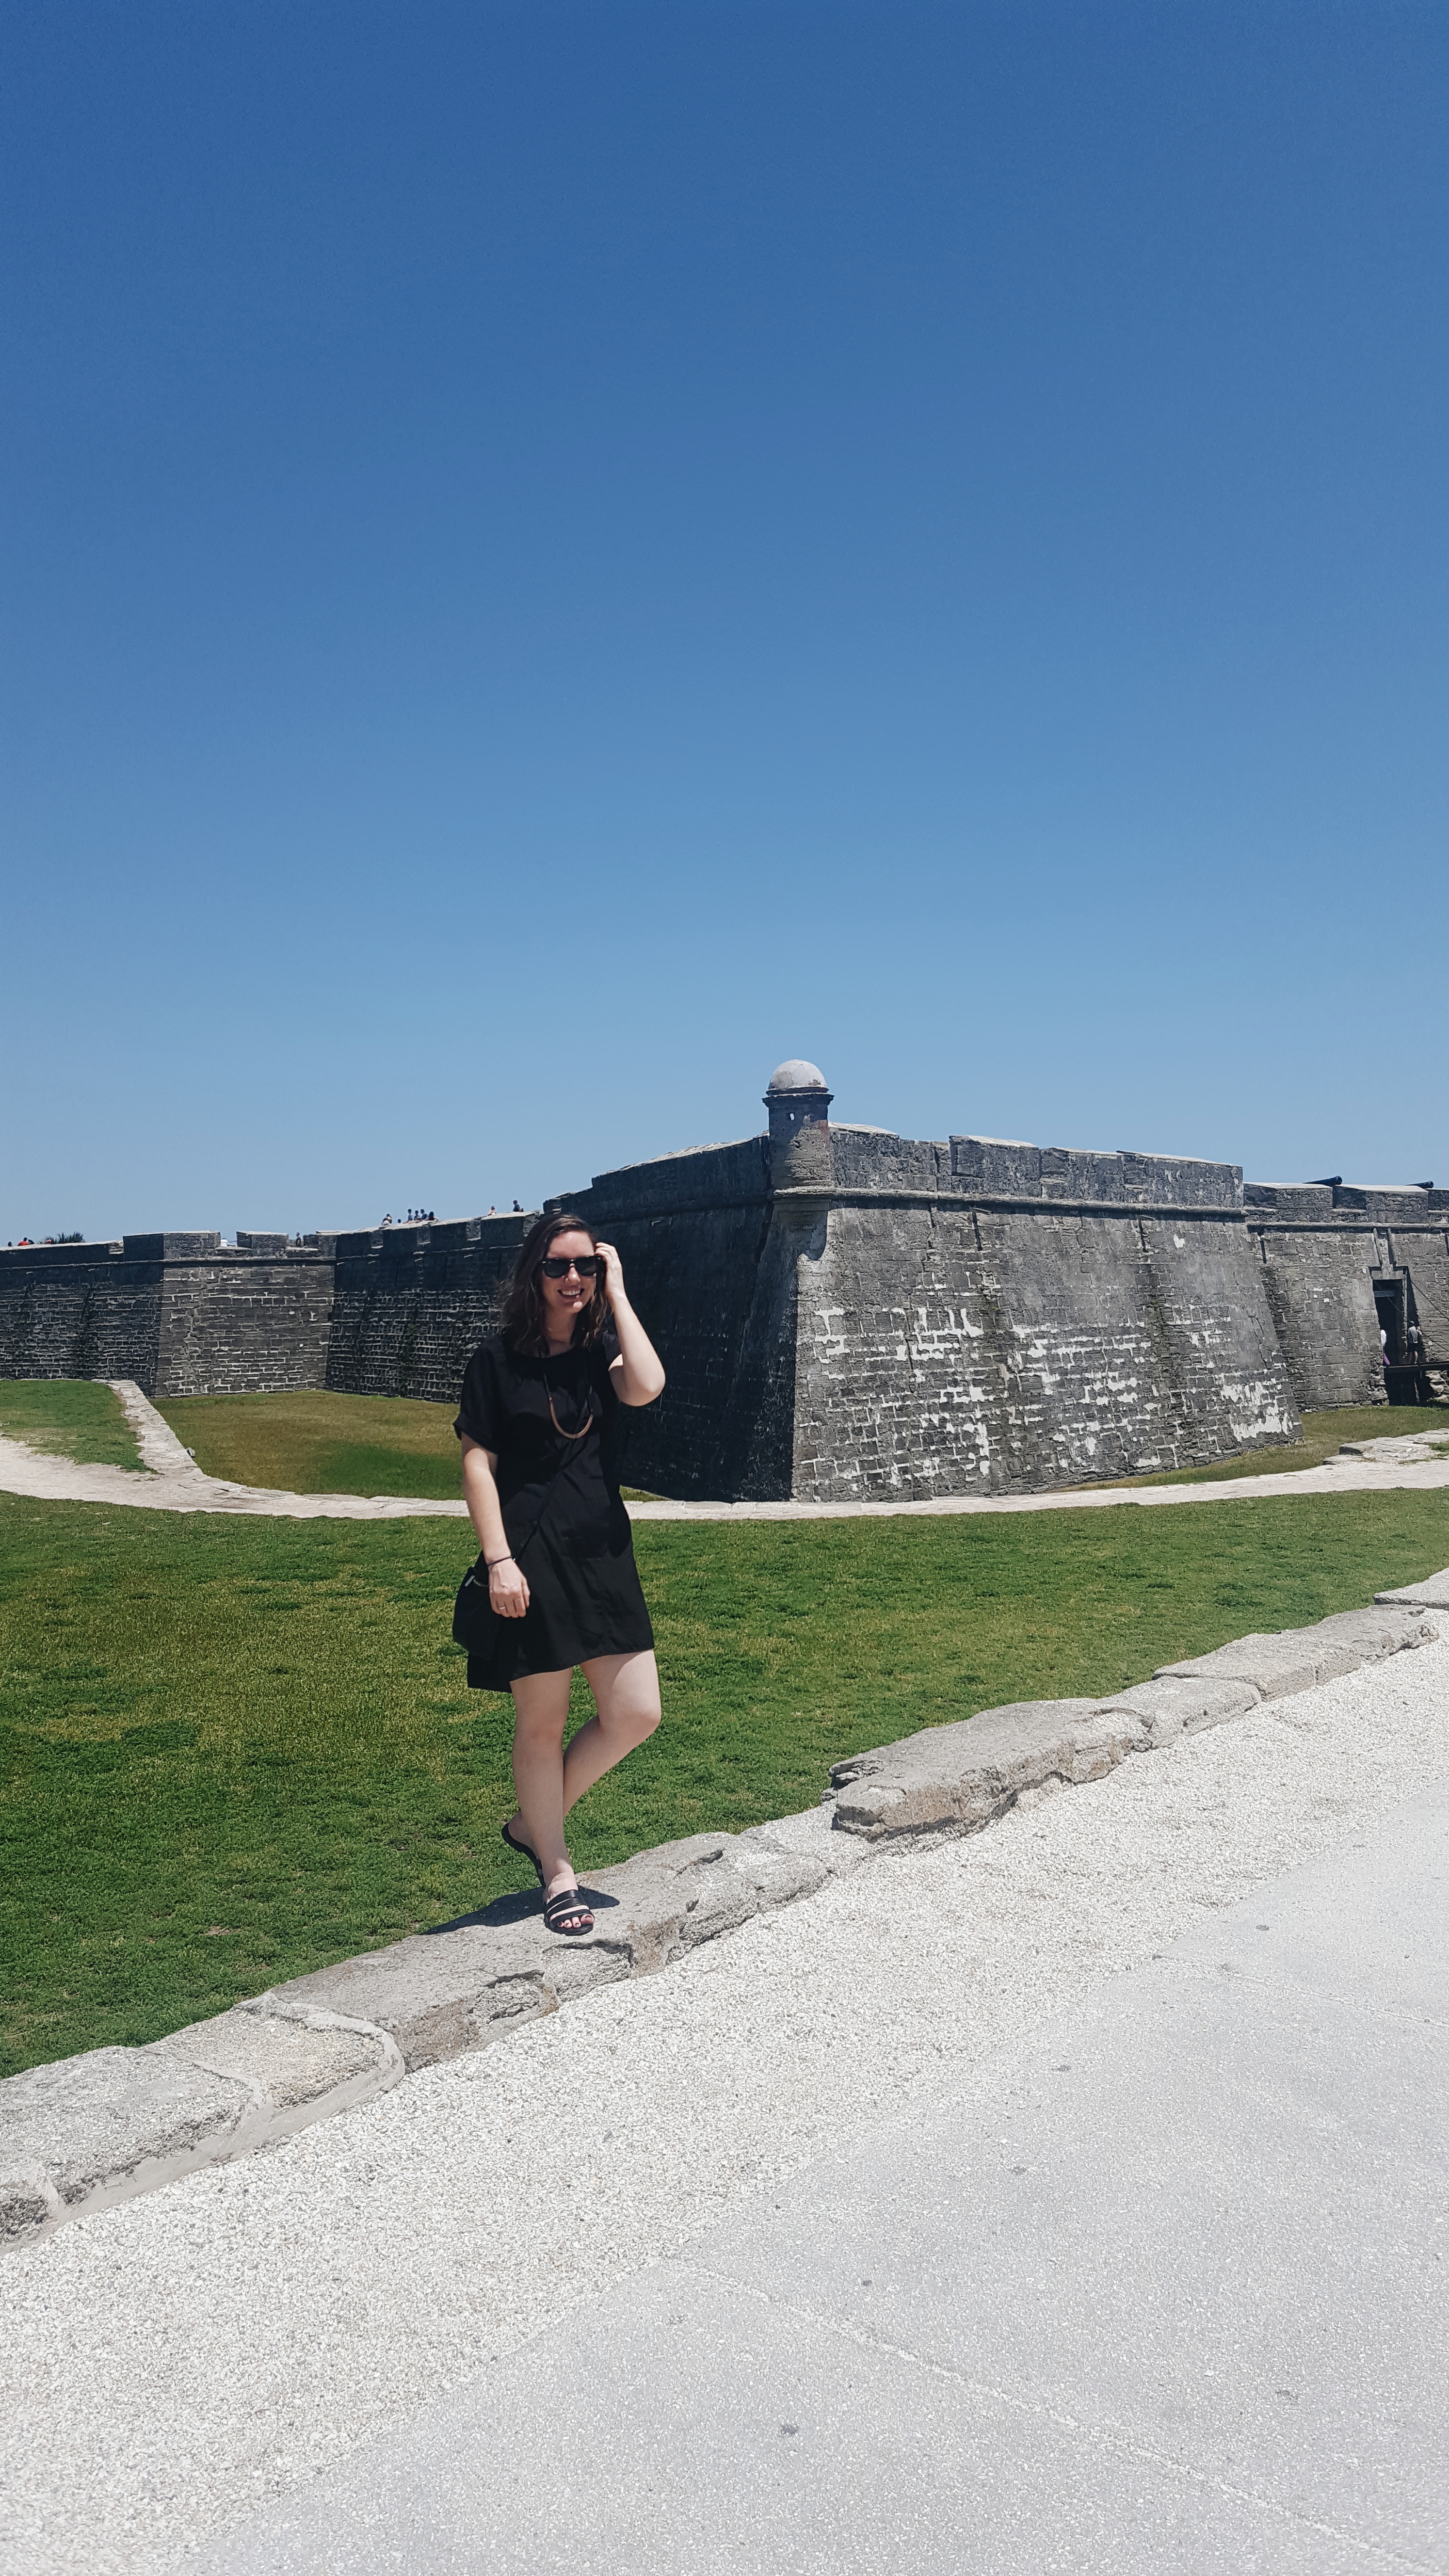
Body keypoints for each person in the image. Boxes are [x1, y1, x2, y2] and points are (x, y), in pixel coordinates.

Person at [456, 1213, 666, 1936]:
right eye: (557, 1266)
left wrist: (624, 1294)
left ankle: (530, 1821)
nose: (572, 1278)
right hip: (529, 1560)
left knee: (637, 1712)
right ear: (532, 1274)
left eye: (585, 1266)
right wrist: (499, 1562)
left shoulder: (603, 1353)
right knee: (540, 1726)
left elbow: (646, 1387)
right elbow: (477, 1464)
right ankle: (556, 1869)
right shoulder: (496, 1361)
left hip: (604, 1555)